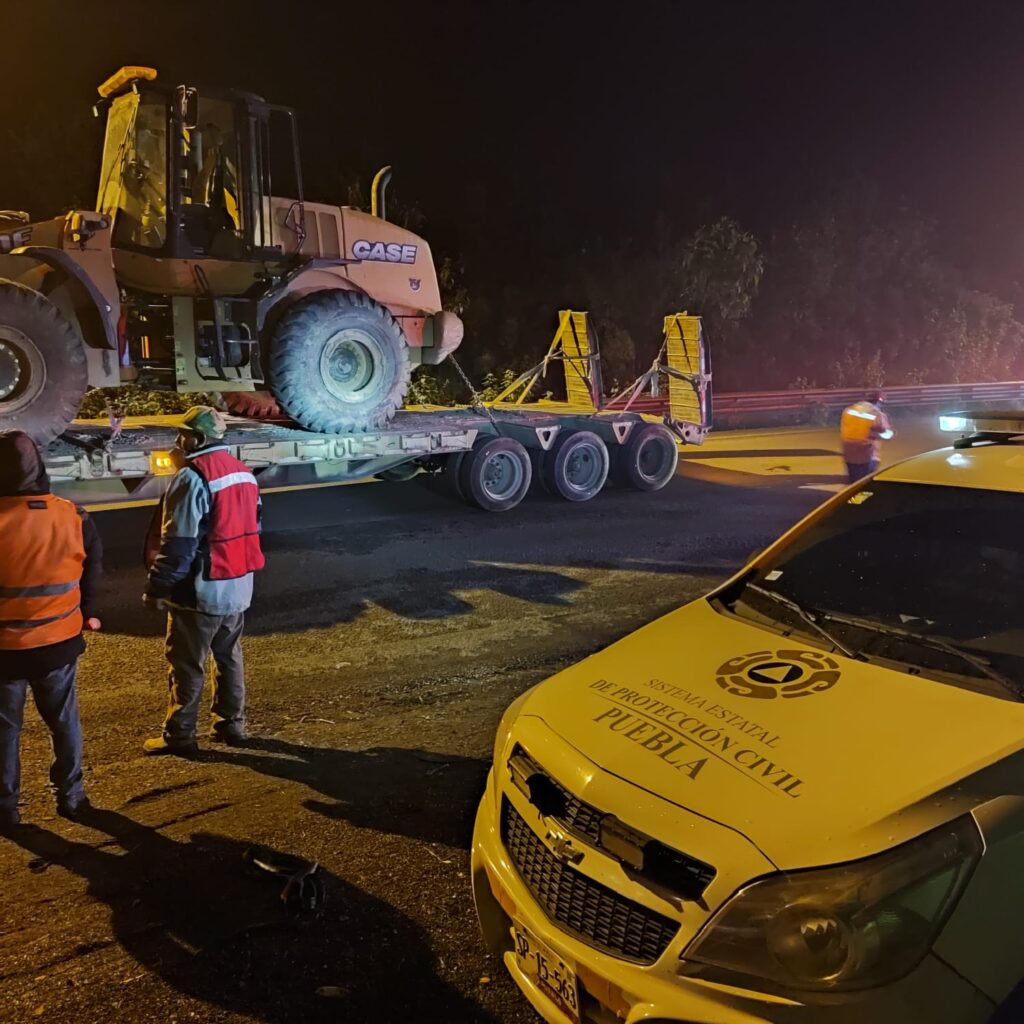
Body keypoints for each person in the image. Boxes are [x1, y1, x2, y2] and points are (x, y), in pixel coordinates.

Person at [143, 406, 264, 755]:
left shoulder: (191, 478)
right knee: (228, 657)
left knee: (186, 664)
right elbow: (254, 530)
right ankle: (231, 725)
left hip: (202, 590)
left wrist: (158, 588)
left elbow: (178, 544)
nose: (178, 442)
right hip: (238, 586)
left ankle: (180, 735)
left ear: (196, 438)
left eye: (183, 434)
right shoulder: (244, 474)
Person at [0, 431, 102, 828]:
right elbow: (92, 568)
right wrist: (89, 611)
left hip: (4, 649)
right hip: (57, 643)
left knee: (5, 732)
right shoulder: (72, 515)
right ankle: (72, 797)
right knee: (64, 723)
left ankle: (6, 808)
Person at [840, 390, 895, 483]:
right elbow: (884, 432)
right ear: (878, 401)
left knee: (853, 479)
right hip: (865, 450)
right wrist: (890, 432)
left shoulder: (849, 410)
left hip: (848, 447)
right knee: (865, 480)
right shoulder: (876, 413)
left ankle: (851, 495)